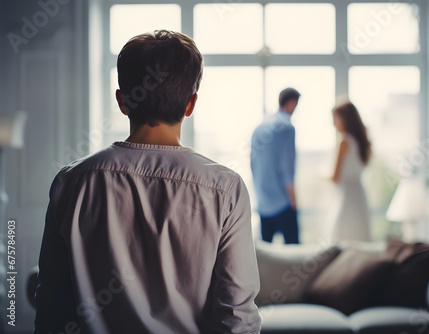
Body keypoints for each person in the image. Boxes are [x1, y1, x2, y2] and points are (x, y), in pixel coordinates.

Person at [34, 30, 261, 334]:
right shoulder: (226, 188)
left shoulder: (70, 183)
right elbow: (237, 318)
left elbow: (51, 307)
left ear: (122, 101)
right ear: (191, 105)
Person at [251, 88, 300, 244]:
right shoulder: (287, 128)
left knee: (265, 257)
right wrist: (293, 200)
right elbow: (286, 168)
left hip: (263, 202)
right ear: (291, 103)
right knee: (294, 255)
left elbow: (253, 164)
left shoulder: (259, 128)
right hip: (283, 202)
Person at [326, 99, 372, 242]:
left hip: (345, 198)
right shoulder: (362, 142)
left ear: (345, 119)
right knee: (359, 239)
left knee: (340, 239)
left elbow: (335, 177)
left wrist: (321, 173)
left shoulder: (344, 141)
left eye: (336, 119)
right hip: (359, 196)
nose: (334, 124)